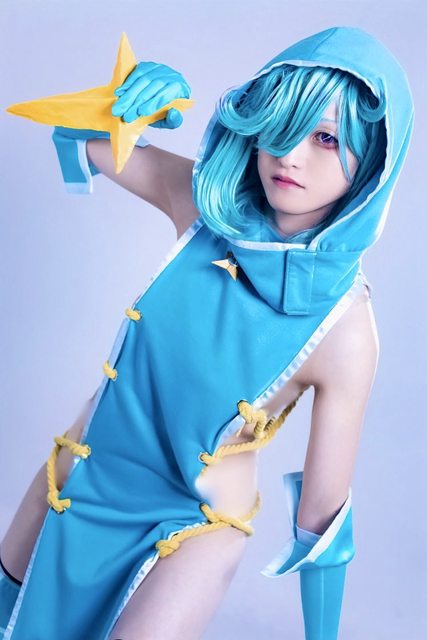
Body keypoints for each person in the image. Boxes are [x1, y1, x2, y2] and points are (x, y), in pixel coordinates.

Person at [0, 25, 414, 640]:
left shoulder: (346, 327)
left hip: (192, 527)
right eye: (281, 123)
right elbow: (76, 137)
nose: (290, 154)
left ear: (373, 162)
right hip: (80, 480)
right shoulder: (205, 211)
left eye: (326, 137)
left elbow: (323, 523)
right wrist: (131, 105)